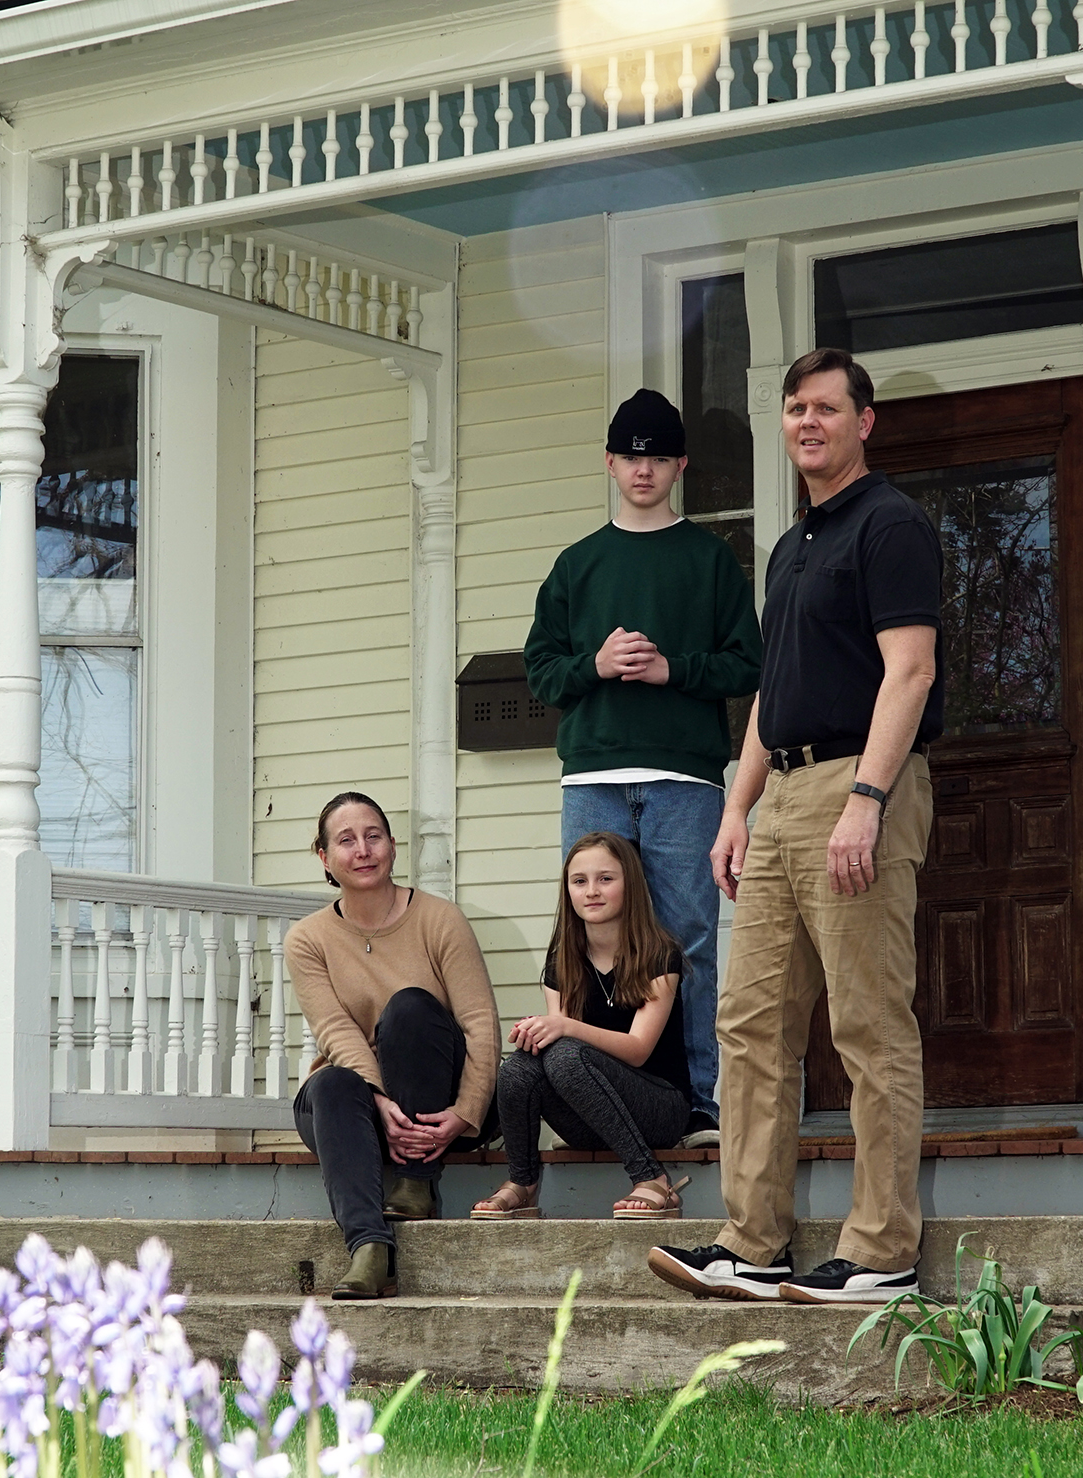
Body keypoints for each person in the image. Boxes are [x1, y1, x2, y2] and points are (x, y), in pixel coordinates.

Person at [649, 346, 943, 1306]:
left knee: (865, 1023)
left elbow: (909, 673)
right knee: (750, 1023)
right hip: (781, 798)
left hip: (858, 788)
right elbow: (774, 696)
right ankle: (752, 1242)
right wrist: (738, 807)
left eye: (825, 407)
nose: (806, 422)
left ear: (864, 421)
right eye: (792, 410)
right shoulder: (791, 545)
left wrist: (867, 797)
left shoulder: (890, 526)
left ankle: (882, 1251)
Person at [523, 388, 763, 1148]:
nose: (643, 470)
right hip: (591, 772)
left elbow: (746, 664)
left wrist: (673, 670)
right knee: (584, 932)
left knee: (686, 934)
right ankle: (581, 1090)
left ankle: (694, 1101)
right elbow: (539, 672)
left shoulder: (708, 558)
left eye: (658, 457)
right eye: (631, 456)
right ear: (608, 462)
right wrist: (593, 664)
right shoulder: (576, 564)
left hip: (684, 774)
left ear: (680, 465)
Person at [286, 791, 501, 1299]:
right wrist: (380, 1101)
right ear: (324, 857)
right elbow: (336, 1033)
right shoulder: (307, 939)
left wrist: (467, 1113)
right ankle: (369, 1249)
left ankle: (416, 1180)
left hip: (440, 1106)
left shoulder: (440, 919)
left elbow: (480, 1025)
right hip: (360, 1111)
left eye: (373, 836)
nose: (362, 849)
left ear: (392, 846)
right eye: (346, 840)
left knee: (408, 1008)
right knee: (332, 1080)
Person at [471, 832, 695, 1222]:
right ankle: (522, 1183)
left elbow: (638, 1048)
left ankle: (653, 1178)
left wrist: (565, 1027)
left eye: (606, 878)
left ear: (631, 885)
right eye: (580, 881)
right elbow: (557, 1047)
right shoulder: (562, 963)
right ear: (568, 891)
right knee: (521, 1065)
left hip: (659, 1109)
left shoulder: (660, 954)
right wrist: (537, 1034)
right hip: (590, 1118)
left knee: (565, 1052)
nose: (591, 891)